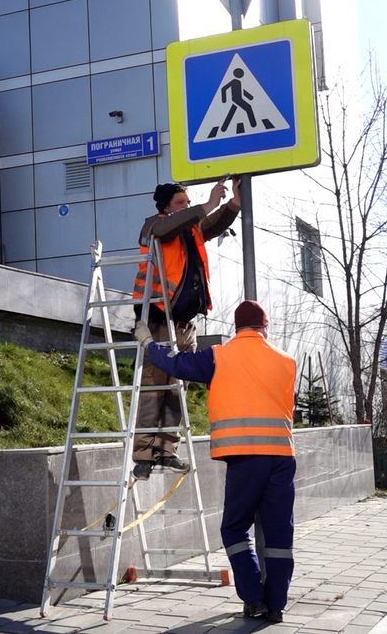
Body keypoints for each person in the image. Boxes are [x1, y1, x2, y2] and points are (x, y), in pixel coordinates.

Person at [134, 300, 296, 623]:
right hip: (282, 458)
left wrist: (149, 344)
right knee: (279, 535)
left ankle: (254, 598)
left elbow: (178, 364)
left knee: (235, 528)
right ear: (264, 327)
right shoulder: (287, 361)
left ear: (237, 328)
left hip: (245, 457)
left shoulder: (219, 356)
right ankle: (276, 604)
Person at [129, 175, 241, 481]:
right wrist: (205, 205)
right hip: (158, 318)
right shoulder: (154, 225)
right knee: (154, 389)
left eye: (188, 204)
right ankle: (143, 455)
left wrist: (232, 204)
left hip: (184, 324)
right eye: (181, 203)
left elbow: (212, 224)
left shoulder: (190, 231)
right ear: (165, 207)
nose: (187, 208)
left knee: (177, 389)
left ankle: (167, 451)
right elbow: (170, 226)